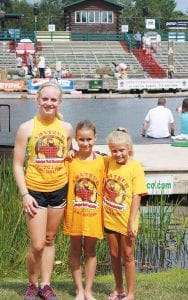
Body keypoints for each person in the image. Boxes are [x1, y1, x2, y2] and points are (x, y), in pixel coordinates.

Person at [13, 82, 73, 300]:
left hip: (59, 190)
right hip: (35, 192)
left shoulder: (66, 128)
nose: (49, 103)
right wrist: (25, 194)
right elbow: (18, 165)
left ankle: (46, 285)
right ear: (37, 100)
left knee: (49, 240)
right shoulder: (26, 128)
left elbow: (67, 154)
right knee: (37, 244)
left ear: (59, 102)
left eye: (53, 100)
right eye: (45, 99)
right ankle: (32, 283)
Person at [103, 128, 147, 300]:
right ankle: (119, 289)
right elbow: (89, 156)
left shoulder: (135, 167)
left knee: (127, 256)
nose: (118, 154)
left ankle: (130, 294)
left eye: (121, 150)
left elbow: (137, 196)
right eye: (114, 150)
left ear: (128, 148)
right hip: (110, 217)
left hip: (127, 220)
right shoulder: (108, 162)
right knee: (114, 255)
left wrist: (131, 222)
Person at [63, 120, 105, 300]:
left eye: (89, 139)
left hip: (94, 215)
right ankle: (79, 289)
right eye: (81, 139)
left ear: (95, 138)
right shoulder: (70, 160)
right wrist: (68, 149)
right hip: (74, 214)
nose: (85, 143)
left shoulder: (103, 161)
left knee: (90, 251)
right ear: (75, 139)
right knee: (74, 250)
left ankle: (88, 290)